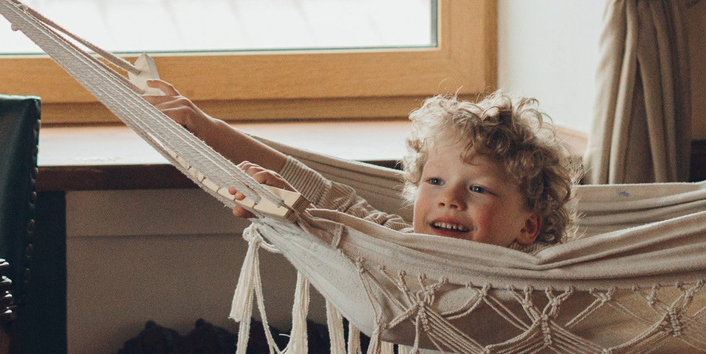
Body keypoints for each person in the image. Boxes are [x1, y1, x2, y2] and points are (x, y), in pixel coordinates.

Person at [148, 83, 574, 249]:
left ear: (527, 228)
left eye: (477, 189)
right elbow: (332, 200)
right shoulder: (401, 242)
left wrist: (299, 213)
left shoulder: (543, 280)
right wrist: (206, 128)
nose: (449, 198)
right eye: (436, 180)